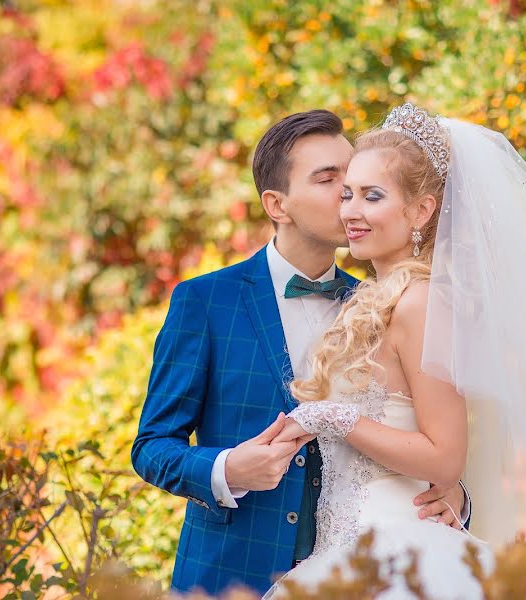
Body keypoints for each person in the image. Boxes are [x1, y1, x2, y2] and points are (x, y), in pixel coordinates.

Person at [265, 102, 526, 599]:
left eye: (372, 196)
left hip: (402, 551)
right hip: (342, 549)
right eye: (347, 194)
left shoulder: (421, 303)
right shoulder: (370, 301)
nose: (351, 210)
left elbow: (444, 456)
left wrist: (330, 416)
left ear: (421, 211)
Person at [131, 109, 469, 597]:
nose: (348, 195)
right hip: (233, 574)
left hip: (370, 573)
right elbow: (151, 446)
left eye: (353, 178)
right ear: (277, 205)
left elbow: (434, 433)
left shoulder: (383, 302)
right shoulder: (205, 302)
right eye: (330, 180)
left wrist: (452, 496)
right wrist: (226, 469)